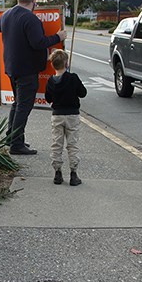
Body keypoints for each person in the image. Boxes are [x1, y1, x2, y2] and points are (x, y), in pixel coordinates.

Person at [0, 0, 67, 155]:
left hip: (12, 67)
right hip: (27, 70)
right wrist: (58, 37)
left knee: (17, 104)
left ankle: (12, 137)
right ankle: (16, 145)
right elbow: (38, 43)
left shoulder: (8, 15)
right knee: (23, 107)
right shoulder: (30, 19)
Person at [44, 49, 87, 186]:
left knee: (57, 144)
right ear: (66, 63)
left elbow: (47, 98)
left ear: (53, 65)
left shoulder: (50, 81)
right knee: (72, 145)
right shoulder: (72, 78)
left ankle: (57, 173)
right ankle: (73, 174)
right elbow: (83, 93)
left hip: (57, 115)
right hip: (72, 115)